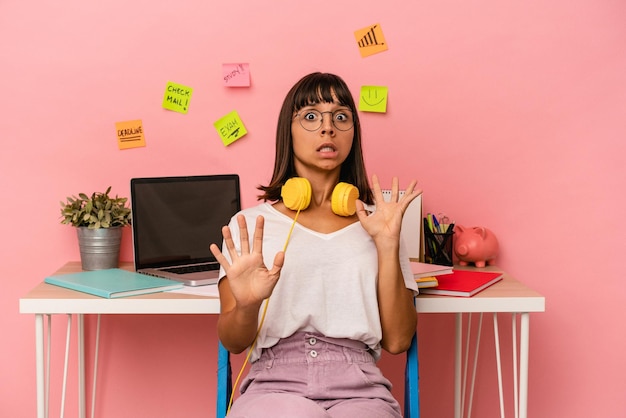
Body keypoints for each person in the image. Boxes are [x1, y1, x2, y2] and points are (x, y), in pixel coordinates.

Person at [210, 72, 420, 418]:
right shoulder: (250, 226)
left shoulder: (382, 223)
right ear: (287, 132)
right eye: (310, 117)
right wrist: (247, 306)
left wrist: (386, 244)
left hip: (360, 385)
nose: (328, 129)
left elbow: (397, 342)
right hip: (274, 382)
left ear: (354, 133)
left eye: (341, 117)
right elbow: (234, 342)